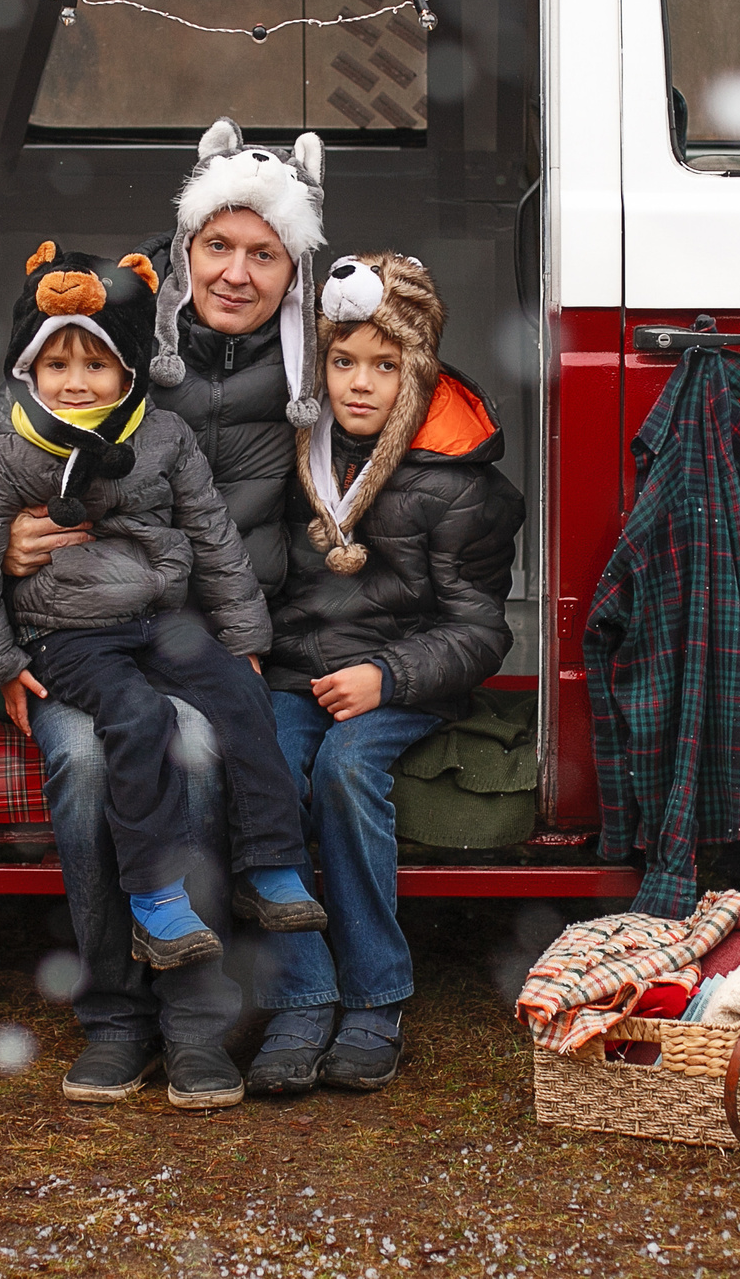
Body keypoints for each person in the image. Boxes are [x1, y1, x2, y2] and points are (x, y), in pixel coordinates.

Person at [0, 119, 330, 1110]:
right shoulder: (113, 328)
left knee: (203, 750)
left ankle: (196, 1020)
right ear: (181, 250)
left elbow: (395, 492)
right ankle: (117, 1016)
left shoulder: (321, 371)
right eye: (218, 247)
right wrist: (4, 563)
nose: (238, 273)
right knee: (85, 762)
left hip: (205, 633)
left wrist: (262, 642)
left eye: (265, 254)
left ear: (295, 268)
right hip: (78, 636)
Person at [247, 252, 526, 1094]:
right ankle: (302, 991)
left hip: (407, 681)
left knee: (346, 766)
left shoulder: (458, 485)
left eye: (385, 362)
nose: (359, 384)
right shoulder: (297, 459)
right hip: (299, 673)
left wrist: (386, 676)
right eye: (342, 361)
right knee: (259, 769)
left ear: (420, 367)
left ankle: (375, 994)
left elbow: (479, 630)